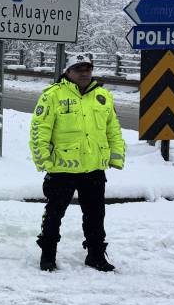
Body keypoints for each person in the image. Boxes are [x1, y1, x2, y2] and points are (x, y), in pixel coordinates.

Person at [28, 52, 125, 272]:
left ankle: (96, 256)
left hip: (93, 168)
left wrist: (116, 156)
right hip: (62, 168)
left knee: (96, 215)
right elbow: (39, 129)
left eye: (88, 69)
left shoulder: (102, 96)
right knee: (54, 214)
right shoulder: (53, 95)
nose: (84, 73)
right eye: (78, 69)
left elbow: (113, 129)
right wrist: (42, 159)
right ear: (68, 72)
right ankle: (48, 255)